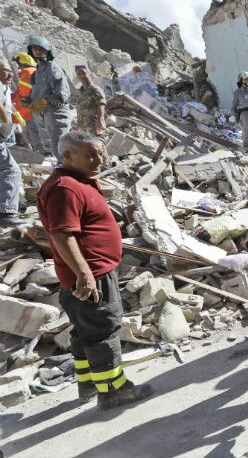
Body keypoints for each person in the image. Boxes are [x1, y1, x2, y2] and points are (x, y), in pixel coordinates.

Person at [36, 131, 153, 409]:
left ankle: (89, 383)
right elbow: (63, 235)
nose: (98, 159)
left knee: (85, 330)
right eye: (90, 155)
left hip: (91, 271)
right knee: (103, 329)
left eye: (100, 153)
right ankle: (113, 390)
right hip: (90, 274)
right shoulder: (65, 187)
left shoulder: (76, 180)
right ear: (67, 156)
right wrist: (84, 274)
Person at [27, 35, 72, 160]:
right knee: (52, 148)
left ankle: (68, 175)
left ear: (48, 51)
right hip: (44, 114)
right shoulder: (36, 72)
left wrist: (44, 101)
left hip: (56, 112)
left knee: (60, 146)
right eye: (34, 49)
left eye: (41, 49)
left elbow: (62, 94)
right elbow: (37, 92)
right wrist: (29, 101)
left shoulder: (53, 67)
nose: (37, 52)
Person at [0, 59, 23, 226]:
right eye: (6, 70)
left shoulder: (5, 86)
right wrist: (7, 123)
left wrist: (15, 115)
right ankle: (6, 214)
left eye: (10, 70)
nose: (10, 74)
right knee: (10, 170)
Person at [74, 65, 106, 136]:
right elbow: (80, 108)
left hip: (93, 125)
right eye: (78, 75)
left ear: (89, 74)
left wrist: (100, 119)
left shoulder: (95, 89)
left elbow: (101, 104)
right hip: (83, 126)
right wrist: (78, 123)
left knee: (95, 145)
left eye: (84, 73)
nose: (81, 76)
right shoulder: (81, 90)